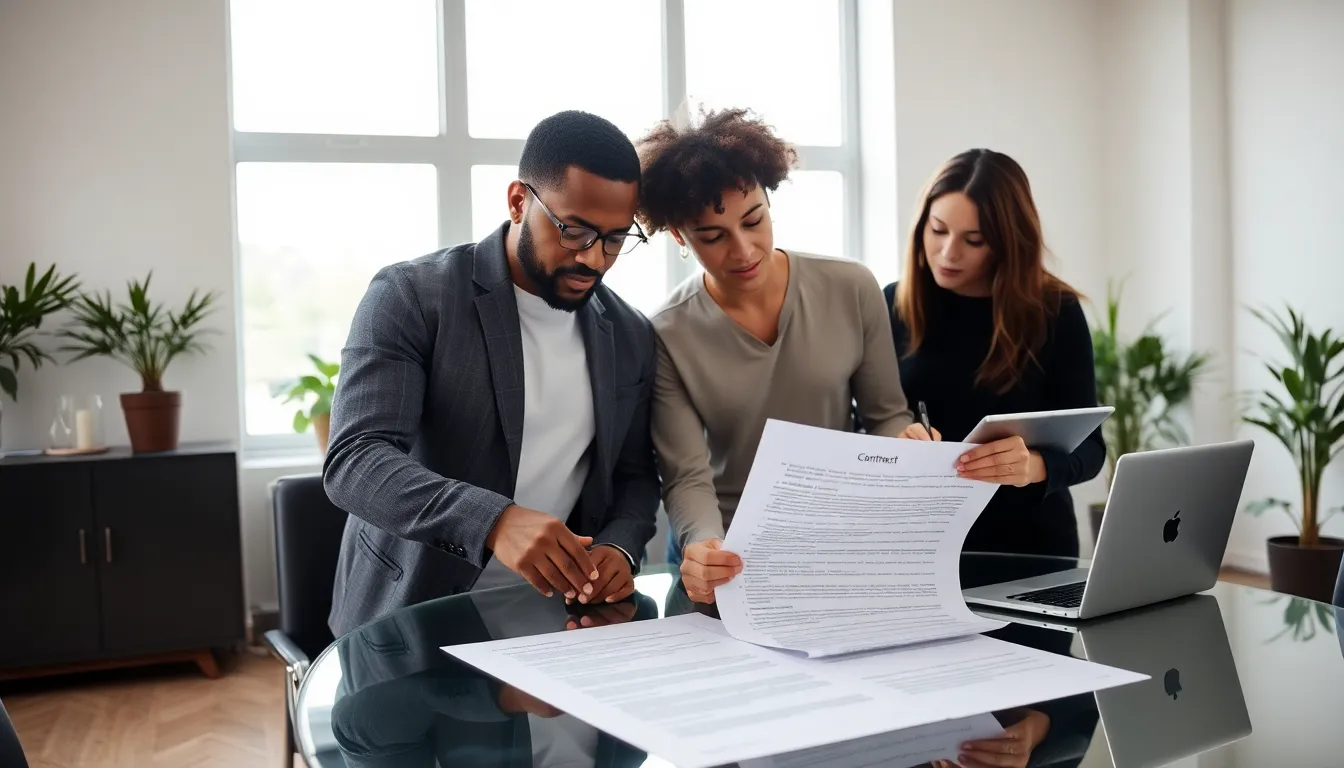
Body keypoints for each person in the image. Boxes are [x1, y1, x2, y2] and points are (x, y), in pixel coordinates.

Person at [324, 110, 661, 637]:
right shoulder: (413, 297)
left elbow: (635, 475)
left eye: (617, 238)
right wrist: (495, 521)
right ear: (518, 201)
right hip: (413, 616)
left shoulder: (630, 331)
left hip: (559, 621)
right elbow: (356, 461)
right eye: (574, 230)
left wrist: (619, 545)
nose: (594, 258)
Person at [637, 108, 921, 604]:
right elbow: (687, 474)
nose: (744, 249)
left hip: (834, 545)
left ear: (769, 202)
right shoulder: (667, 331)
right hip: (728, 554)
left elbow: (885, 416)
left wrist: (909, 443)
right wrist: (706, 547)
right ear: (680, 236)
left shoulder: (851, 287)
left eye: (754, 220)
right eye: (713, 236)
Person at [885, 148, 1105, 558]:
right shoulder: (893, 303)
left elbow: (1091, 450)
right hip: (919, 544)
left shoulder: (1055, 311)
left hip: (1031, 549)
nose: (949, 253)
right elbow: (865, 423)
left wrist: (1031, 468)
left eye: (974, 240)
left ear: (1007, 242)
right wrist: (894, 439)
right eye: (938, 230)